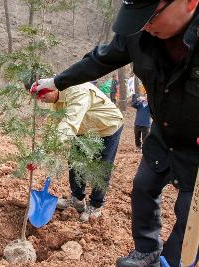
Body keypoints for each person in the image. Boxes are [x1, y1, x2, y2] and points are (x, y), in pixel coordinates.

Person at [31, 0, 199, 266]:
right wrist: (56, 81)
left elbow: (71, 121)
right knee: (144, 187)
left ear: (189, 2)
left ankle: (173, 260)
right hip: (163, 131)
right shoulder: (138, 31)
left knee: (189, 213)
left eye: (150, 17)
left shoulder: (78, 95)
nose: (144, 26)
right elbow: (100, 59)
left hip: (189, 144)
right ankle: (147, 251)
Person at [38, 82, 123, 222]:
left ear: (53, 89)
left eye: (42, 95)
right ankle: (77, 199)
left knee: (101, 167)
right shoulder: (53, 99)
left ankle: (95, 205)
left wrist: (49, 147)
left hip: (107, 126)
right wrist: (44, 148)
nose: (41, 100)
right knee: (76, 161)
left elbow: (69, 124)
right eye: (37, 97)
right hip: (84, 129)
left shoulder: (78, 91)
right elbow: (52, 123)